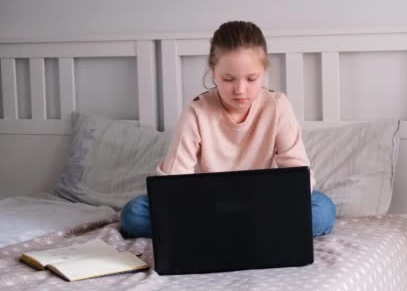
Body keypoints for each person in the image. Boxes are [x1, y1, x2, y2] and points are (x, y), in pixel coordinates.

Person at [120, 21, 336, 238]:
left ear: (264, 72)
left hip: (265, 206)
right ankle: (248, 230)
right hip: (211, 207)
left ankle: (220, 231)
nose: (240, 90)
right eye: (228, 79)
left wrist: (273, 204)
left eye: (251, 79)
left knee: (322, 210)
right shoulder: (197, 111)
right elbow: (170, 186)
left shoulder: (277, 105)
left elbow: (299, 177)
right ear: (213, 73)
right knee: (134, 214)